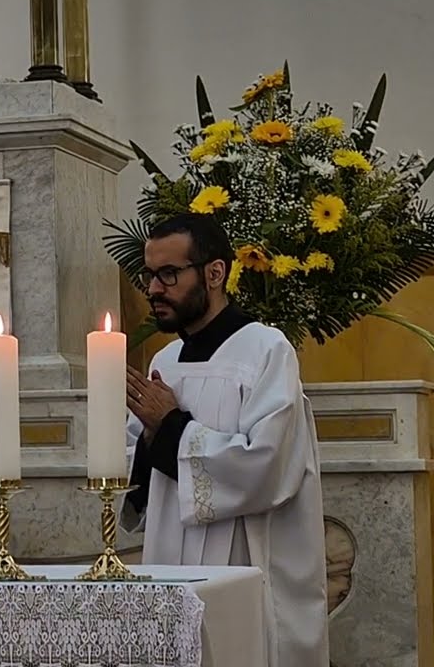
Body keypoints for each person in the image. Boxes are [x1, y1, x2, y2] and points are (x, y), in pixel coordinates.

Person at [121, 213, 329, 667]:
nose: (154, 289)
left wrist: (172, 424)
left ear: (215, 273)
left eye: (169, 274)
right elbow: (138, 471)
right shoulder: (165, 359)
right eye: (149, 276)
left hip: (245, 564)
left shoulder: (266, 351)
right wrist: (147, 439)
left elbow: (267, 466)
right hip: (169, 562)